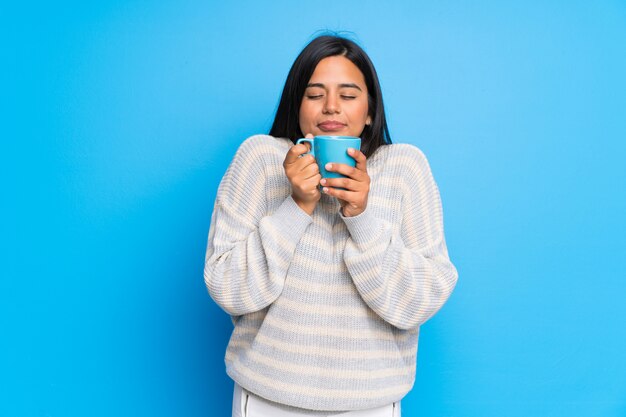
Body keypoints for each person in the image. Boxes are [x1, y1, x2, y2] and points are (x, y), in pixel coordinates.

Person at [204, 33, 458, 417]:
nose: (331, 107)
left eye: (349, 94)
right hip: (266, 399)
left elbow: (419, 301)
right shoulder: (259, 159)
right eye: (315, 94)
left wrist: (362, 216)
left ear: (370, 109)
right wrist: (298, 205)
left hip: (371, 403)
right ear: (298, 105)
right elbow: (228, 289)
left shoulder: (405, 168)